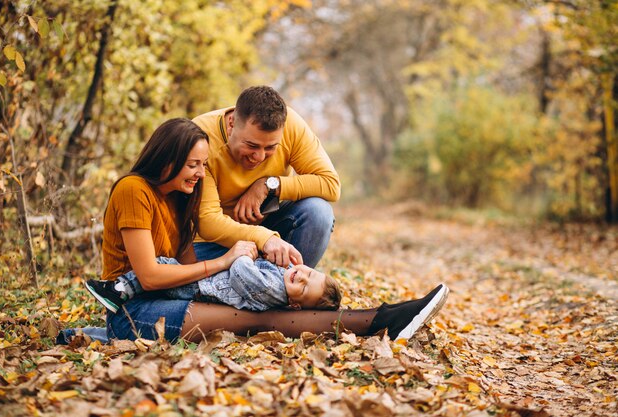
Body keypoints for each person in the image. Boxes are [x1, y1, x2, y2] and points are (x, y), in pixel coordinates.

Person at [77, 117, 449, 345]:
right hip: (132, 312)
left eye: (204, 165)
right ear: (168, 160)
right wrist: (225, 261)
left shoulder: (180, 196)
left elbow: (184, 264)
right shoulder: (133, 190)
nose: (201, 174)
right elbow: (150, 274)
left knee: (253, 310)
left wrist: (230, 288)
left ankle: (389, 315)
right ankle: (379, 321)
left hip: (170, 299)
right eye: (193, 165)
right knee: (257, 322)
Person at [191, 85, 340, 268]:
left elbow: (330, 184)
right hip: (212, 244)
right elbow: (207, 222)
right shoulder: (200, 138)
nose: (259, 157)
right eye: (252, 145)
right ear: (231, 125)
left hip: (270, 230)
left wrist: (271, 186)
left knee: (318, 211)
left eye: (270, 147)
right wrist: (264, 238)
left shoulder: (291, 125)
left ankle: (292, 287)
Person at [84, 256, 342, 313]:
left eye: (305, 287)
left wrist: (242, 254)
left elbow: (241, 272)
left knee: (163, 267)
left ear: (296, 305)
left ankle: (118, 292)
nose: (302, 276)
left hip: (200, 287)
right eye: (309, 272)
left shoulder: (274, 290)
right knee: (163, 268)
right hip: (202, 283)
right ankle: (122, 291)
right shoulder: (280, 281)